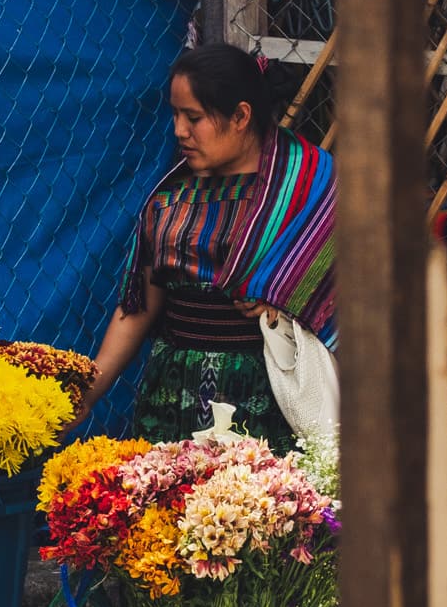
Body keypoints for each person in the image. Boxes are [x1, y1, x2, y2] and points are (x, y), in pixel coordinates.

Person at [80, 42, 336, 451]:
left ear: (240, 116)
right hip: (171, 400)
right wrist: (85, 396)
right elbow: (136, 310)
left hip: (265, 405)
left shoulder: (309, 195)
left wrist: (287, 296)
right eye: (176, 114)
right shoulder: (169, 200)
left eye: (194, 117)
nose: (180, 130)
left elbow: (353, 291)